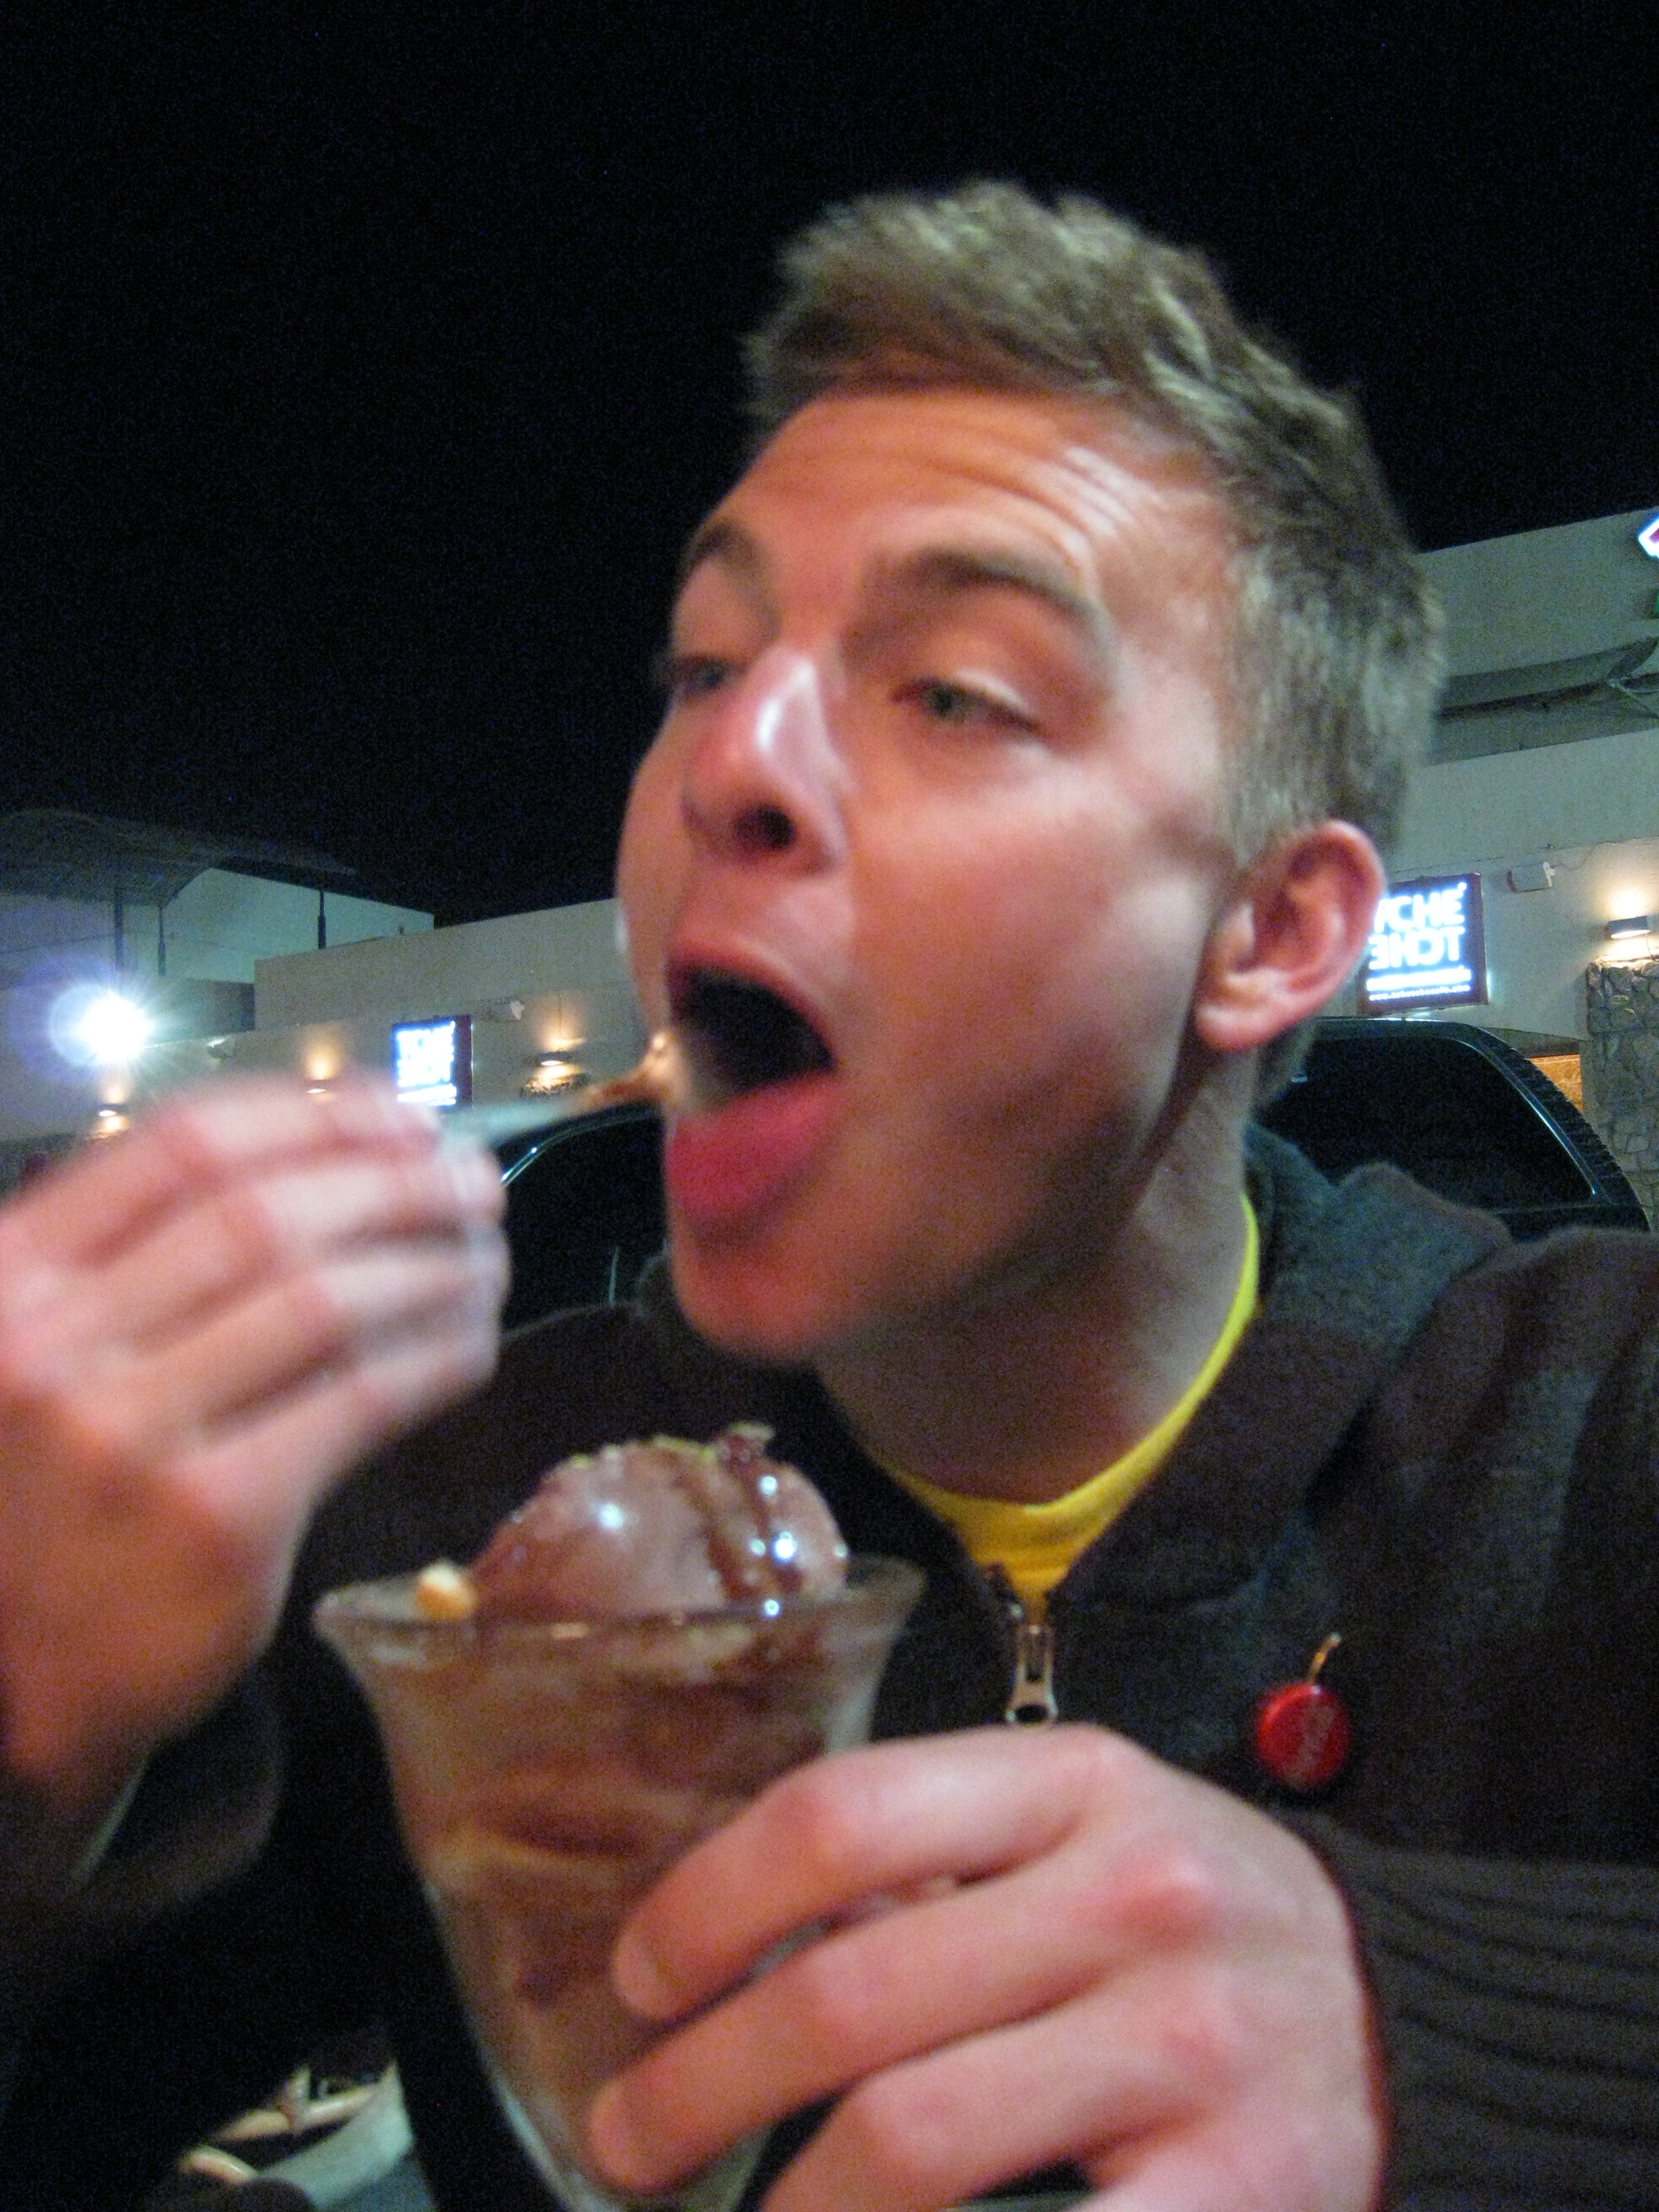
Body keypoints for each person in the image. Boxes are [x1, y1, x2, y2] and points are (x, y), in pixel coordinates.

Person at [4, 182, 1658, 2211]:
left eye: (953, 690)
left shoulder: (1596, 1436)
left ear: (1269, 928)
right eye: (704, 670)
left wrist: (1441, 2027)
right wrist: (31, 1751)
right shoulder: (447, 1536)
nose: (731, 769)